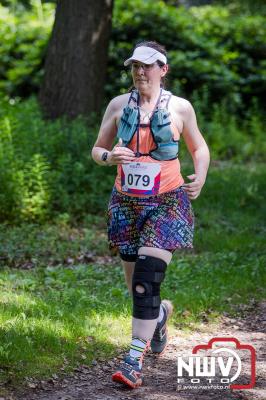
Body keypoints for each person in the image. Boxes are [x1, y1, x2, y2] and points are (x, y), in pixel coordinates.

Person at [91, 41, 210, 389]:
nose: (141, 72)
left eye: (148, 66)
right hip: (126, 204)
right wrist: (107, 158)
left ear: (163, 69)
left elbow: (199, 147)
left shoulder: (181, 108)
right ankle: (159, 315)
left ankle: (133, 362)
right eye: (135, 67)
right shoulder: (118, 105)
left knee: (146, 280)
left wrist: (199, 176)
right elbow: (97, 148)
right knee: (136, 286)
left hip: (168, 201)